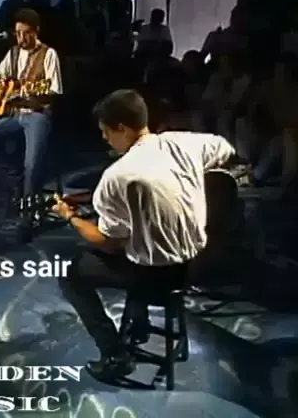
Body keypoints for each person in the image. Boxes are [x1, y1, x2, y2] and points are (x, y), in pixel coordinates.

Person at [51, 89, 235, 381]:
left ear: (122, 128)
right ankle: (139, 322)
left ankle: (114, 354)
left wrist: (69, 216)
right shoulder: (184, 142)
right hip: (196, 263)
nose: (104, 138)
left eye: (105, 132)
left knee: (71, 274)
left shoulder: (117, 175)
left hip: (154, 275)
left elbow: (108, 243)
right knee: (141, 235)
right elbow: (225, 149)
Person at [0, 8, 62, 242]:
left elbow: (53, 91)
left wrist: (30, 94)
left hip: (37, 115)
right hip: (15, 114)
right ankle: (18, 184)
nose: (21, 38)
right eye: (18, 33)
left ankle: (27, 217)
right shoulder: (13, 52)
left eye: (26, 33)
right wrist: (0, 82)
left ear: (36, 32)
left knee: (31, 164)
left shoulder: (48, 54)